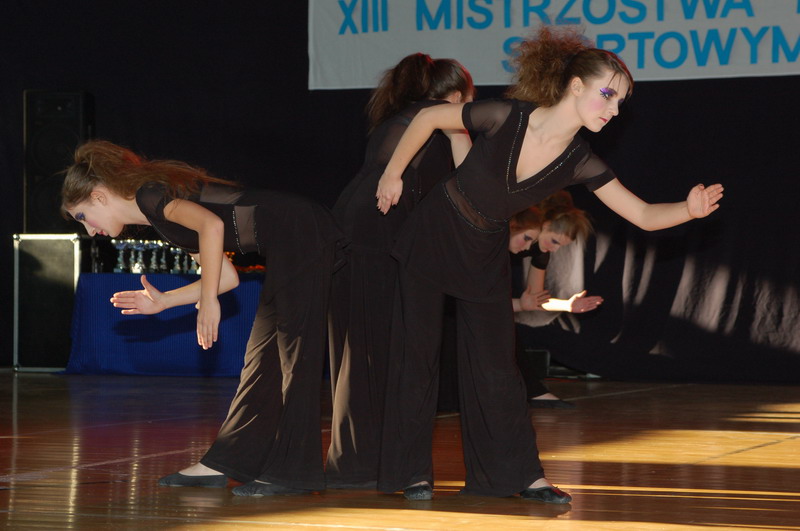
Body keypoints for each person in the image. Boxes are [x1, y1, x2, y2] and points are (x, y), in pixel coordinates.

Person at [373, 25, 723, 503]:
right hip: (435, 230)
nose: (613, 109)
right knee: (417, 354)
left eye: (621, 102)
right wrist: (393, 174)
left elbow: (642, 214)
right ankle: (409, 472)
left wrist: (687, 210)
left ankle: (519, 475)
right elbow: (432, 116)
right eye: (607, 95)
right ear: (575, 86)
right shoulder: (507, 116)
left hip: (484, 248)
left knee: (497, 366)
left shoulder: (580, 160)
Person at [60, 140, 343, 497]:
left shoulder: (150, 194)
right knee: (261, 361)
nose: (89, 230)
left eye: (82, 217)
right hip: (293, 240)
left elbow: (211, 225)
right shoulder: (160, 219)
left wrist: (208, 301)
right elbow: (226, 277)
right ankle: (225, 462)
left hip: (302, 232)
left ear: (99, 196)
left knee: (293, 357)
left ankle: (295, 473)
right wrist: (165, 302)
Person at [326, 53, 475, 488]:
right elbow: (469, 184)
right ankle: (369, 467)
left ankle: (366, 465)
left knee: (367, 355)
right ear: (453, 97)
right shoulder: (427, 122)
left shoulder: (409, 121)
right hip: (373, 247)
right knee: (377, 355)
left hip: (366, 243)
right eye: (468, 100)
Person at [509, 192, 600, 409]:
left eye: (561, 246)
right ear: (545, 224)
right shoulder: (512, 233)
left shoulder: (541, 253)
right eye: (555, 241)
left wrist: (567, 305)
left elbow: (536, 300)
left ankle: (533, 391)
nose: (555, 249)